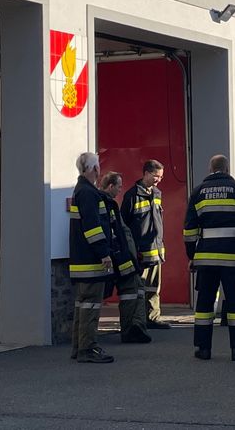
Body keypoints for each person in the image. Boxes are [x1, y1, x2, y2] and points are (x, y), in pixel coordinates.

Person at [184, 154, 235, 361]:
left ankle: (203, 349)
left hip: (206, 258)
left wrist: (192, 255)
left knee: (205, 305)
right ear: (227, 169)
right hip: (233, 257)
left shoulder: (198, 192)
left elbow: (189, 229)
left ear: (210, 169)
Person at [68, 152, 116, 363]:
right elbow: (93, 228)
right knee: (91, 305)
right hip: (90, 260)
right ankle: (87, 348)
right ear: (94, 169)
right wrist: (104, 253)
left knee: (83, 305)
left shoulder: (82, 190)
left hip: (82, 260)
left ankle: (79, 347)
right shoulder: (88, 193)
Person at [99, 171, 152, 344]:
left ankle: (136, 327)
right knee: (131, 290)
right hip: (118, 256)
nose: (121, 189)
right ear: (111, 186)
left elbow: (123, 232)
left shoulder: (110, 204)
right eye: (119, 186)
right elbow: (114, 233)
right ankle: (131, 329)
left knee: (136, 288)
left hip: (123, 255)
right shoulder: (105, 203)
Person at [121, 160, 171, 330]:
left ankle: (153, 318)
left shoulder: (157, 193)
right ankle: (138, 321)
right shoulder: (132, 196)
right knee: (139, 288)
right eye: (156, 176)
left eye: (161, 177)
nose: (159, 180)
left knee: (154, 288)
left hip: (156, 250)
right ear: (146, 173)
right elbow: (124, 225)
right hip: (140, 252)